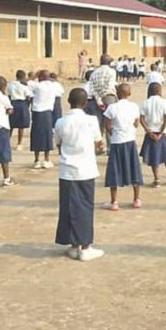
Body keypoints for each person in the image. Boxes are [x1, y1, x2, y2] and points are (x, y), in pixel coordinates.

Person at [54, 87, 105, 261]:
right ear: (85, 103)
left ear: (69, 101)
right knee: (85, 207)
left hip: (67, 170)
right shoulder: (91, 120)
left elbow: (59, 144)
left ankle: (74, 244)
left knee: (68, 207)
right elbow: (98, 143)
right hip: (85, 169)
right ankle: (85, 246)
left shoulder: (61, 122)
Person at [103, 84, 143, 210]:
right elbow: (137, 123)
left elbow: (107, 125)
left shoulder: (112, 108)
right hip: (130, 141)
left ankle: (114, 202)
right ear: (129, 93)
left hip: (116, 142)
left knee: (114, 171)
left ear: (116, 93)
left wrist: (114, 133)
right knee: (134, 169)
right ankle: (136, 199)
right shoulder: (134, 106)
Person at [140, 83, 166, 188]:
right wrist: (161, 132)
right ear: (159, 91)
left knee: (154, 159)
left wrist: (149, 132)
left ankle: (156, 179)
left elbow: (142, 119)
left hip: (150, 133)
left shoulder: (145, 102)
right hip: (161, 133)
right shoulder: (164, 102)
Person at [89, 54, 118, 152]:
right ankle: (110, 146)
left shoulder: (94, 73)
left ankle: (99, 146)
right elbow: (110, 86)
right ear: (109, 62)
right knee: (110, 122)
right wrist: (105, 97)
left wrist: (99, 100)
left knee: (99, 123)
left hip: (96, 100)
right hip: (109, 97)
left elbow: (92, 89)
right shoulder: (111, 72)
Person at [29, 70, 57, 169]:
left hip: (37, 112)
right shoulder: (53, 85)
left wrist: (35, 76)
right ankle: (47, 159)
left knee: (36, 135)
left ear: (40, 77)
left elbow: (28, 82)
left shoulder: (37, 86)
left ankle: (36, 160)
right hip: (48, 112)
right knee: (47, 135)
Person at [7, 70, 33, 150]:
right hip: (22, 104)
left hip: (13, 103)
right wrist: (29, 104)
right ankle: (19, 143)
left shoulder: (10, 85)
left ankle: (8, 141)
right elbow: (29, 96)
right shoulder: (24, 86)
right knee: (21, 125)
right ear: (24, 77)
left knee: (11, 124)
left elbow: (9, 95)